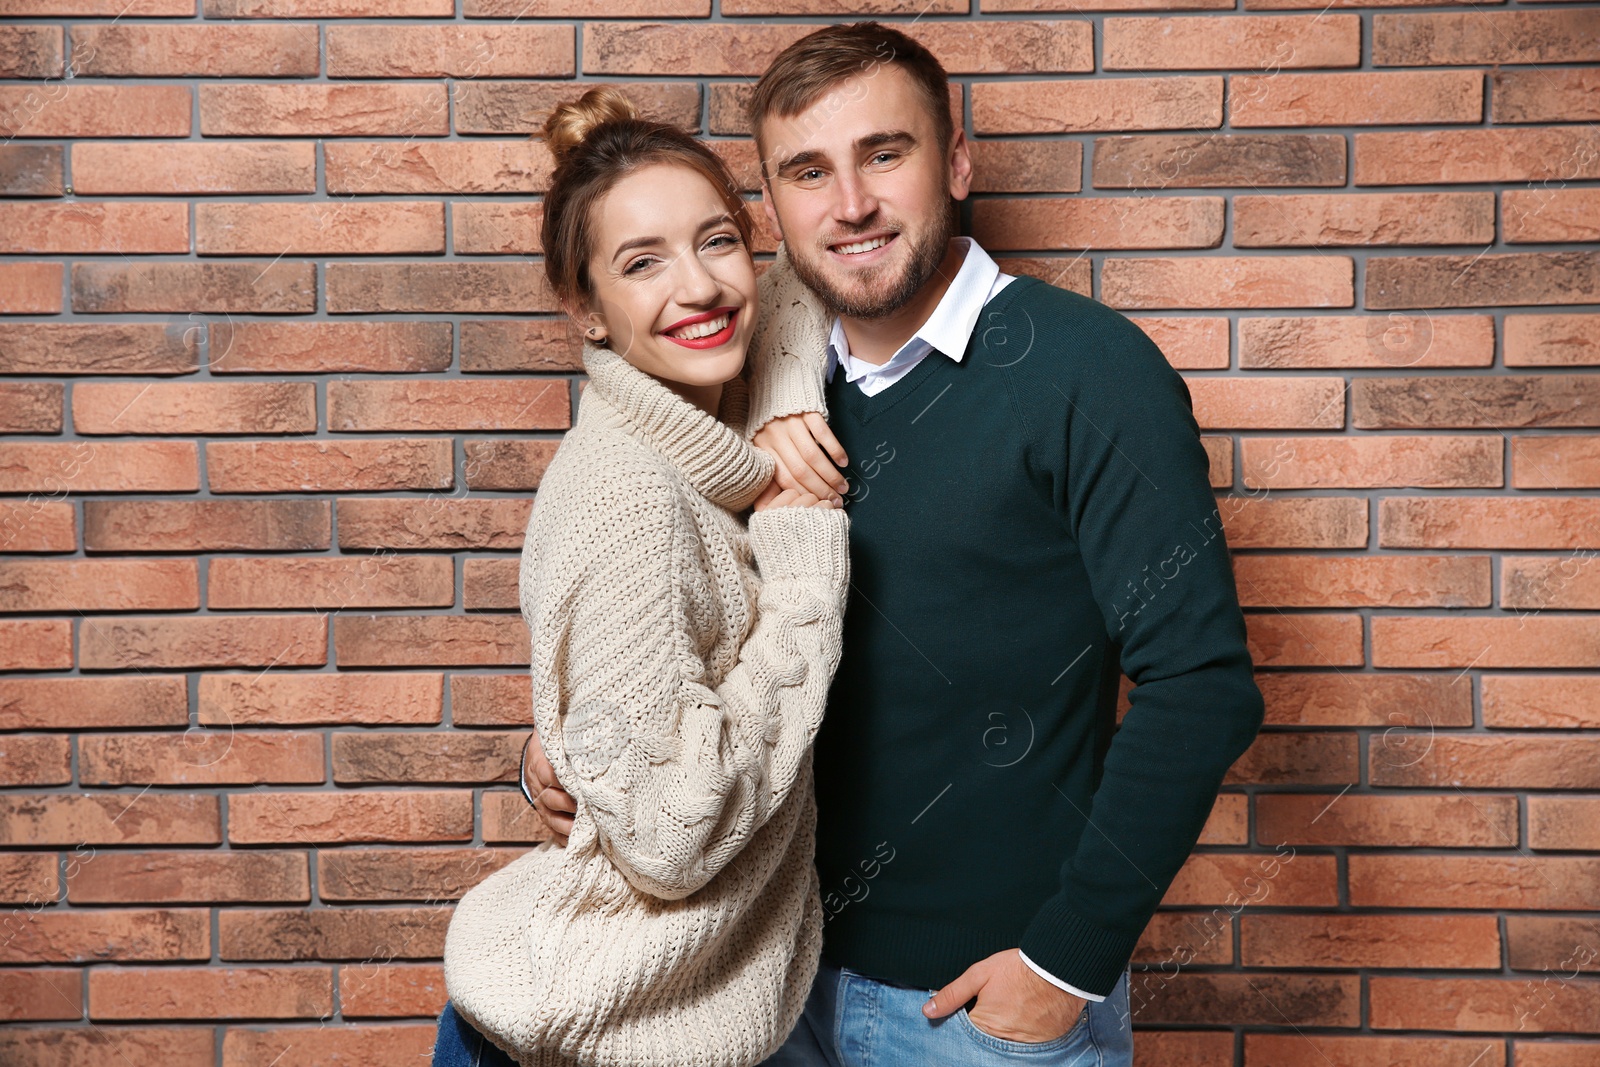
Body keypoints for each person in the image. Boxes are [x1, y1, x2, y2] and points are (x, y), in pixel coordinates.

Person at [526, 22, 1267, 1067]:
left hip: (963, 1011)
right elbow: (665, 629)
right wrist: (571, 747)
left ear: (954, 160)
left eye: (885, 153)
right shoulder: (737, 383)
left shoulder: (1086, 369)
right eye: (806, 172)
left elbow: (1201, 684)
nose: (851, 204)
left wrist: (1063, 964)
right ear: (771, 208)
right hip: (750, 988)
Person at [434, 86, 851, 1067]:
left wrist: (786, 396)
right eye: (641, 262)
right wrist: (802, 559)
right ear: (584, 309)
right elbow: (671, 834)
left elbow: (803, 264)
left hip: (666, 1015)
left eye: (716, 241)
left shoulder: (688, 438)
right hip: (597, 1032)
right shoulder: (632, 500)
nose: (699, 286)